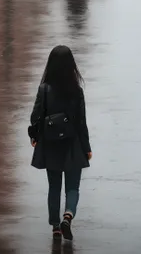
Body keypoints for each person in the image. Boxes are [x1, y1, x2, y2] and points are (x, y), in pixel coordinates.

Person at [30, 45, 92, 241]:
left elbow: (35, 117)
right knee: (73, 187)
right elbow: (81, 122)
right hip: (72, 144)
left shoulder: (44, 90)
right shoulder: (76, 91)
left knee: (54, 186)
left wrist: (35, 136)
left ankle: (55, 226)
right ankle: (68, 216)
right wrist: (87, 148)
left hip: (50, 143)